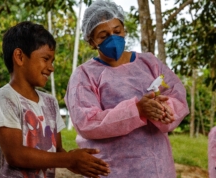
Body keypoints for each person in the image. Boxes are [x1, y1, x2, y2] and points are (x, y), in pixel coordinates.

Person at [64, 0, 190, 177]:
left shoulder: (149, 63)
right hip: (112, 168)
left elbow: (177, 97)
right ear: (91, 41)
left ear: (125, 30)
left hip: (157, 167)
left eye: (117, 31)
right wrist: (137, 110)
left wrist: (160, 109)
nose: (113, 38)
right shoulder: (84, 75)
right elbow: (86, 122)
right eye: (103, 35)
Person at [0, 21, 110, 178]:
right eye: (46, 59)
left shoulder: (50, 102)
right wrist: (69, 160)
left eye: (52, 61)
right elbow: (15, 155)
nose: (51, 67)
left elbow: (57, 151)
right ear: (19, 57)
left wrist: (79, 163)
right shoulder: (4, 99)